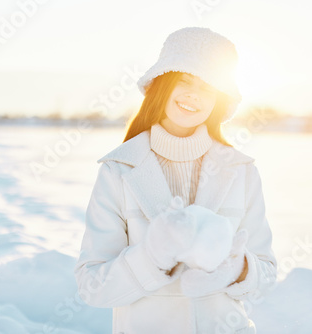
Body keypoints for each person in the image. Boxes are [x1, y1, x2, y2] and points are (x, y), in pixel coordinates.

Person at [74, 26, 277, 334]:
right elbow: (92, 287)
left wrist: (238, 268)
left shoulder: (241, 170)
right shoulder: (117, 170)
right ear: (162, 84)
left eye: (207, 86)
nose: (194, 94)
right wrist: (151, 257)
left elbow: (266, 276)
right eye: (185, 80)